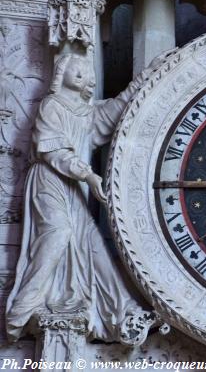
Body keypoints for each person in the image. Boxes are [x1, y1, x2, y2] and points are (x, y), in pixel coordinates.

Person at [6, 53, 152, 344]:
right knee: (58, 233)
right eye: (78, 69)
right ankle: (21, 310)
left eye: (87, 72)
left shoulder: (86, 112)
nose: (84, 74)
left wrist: (148, 76)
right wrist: (87, 174)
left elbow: (114, 111)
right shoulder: (52, 105)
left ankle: (123, 312)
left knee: (92, 245)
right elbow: (52, 151)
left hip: (74, 186)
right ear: (62, 72)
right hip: (50, 181)